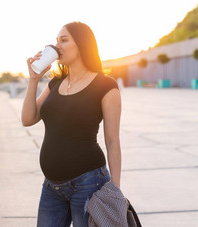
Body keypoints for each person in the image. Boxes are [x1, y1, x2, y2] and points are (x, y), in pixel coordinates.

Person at [21, 21, 122, 227]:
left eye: (64, 40)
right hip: (51, 187)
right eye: (56, 41)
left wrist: (115, 192)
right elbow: (28, 119)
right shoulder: (55, 82)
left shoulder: (105, 86)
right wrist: (33, 80)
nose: (57, 46)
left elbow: (112, 141)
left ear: (83, 44)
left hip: (89, 183)